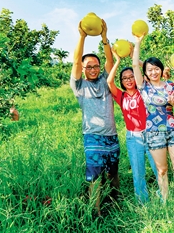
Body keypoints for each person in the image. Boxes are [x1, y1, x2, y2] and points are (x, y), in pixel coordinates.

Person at [70, 19, 119, 216]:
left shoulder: (105, 81)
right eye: (88, 66)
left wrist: (104, 38)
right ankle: (96, 211)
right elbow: (75, 61)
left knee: (113, 172)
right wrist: (82, 36)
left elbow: (109, 61)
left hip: (112, 135)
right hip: (93, 136)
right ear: (83, 69)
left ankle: (116, 202)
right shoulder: (79, 86)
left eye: (95, 66)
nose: (93, 69)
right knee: (94, 176)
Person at [132, 35, 174, 202]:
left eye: (156, 68)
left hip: (172, 130)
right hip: (154, 132)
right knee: (162, 169)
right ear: (146, 73)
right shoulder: (143, 86)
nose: (153, 72)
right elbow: (135, 64)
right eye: (149, 69)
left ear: (161, 70)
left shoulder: (169, 85)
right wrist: (138, 41)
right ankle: (165, 201)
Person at [106, 47, 158, 204]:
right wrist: (118, 61)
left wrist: (132, 56)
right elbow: (109, 81)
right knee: (138, 172)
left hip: (151, 134)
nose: (128, 80)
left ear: (136, 78)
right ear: (122, 82)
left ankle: (165, 196)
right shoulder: (120, 96)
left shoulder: (144, 90)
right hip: (133, 137)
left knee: (159, 169)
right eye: (125, 78)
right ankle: (143, 202)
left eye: (131, 77)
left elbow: (148, 72)